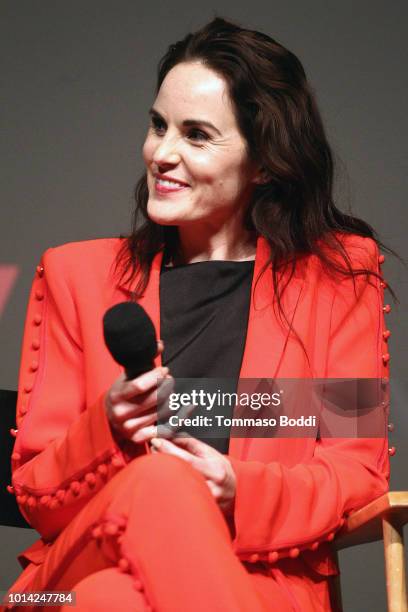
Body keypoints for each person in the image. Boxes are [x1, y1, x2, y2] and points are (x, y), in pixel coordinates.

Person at [4, 17, 393, 612]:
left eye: (197, 134)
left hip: (242, 583)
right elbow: (34, 494)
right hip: (69, 572)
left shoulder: (332, 280)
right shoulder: (77, 277)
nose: (162, 152)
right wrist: (104, 426)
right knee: (158, 488)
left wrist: (240, 490)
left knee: (114, 601)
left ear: (263, 163)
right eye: (158, 125)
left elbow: (353, 473)